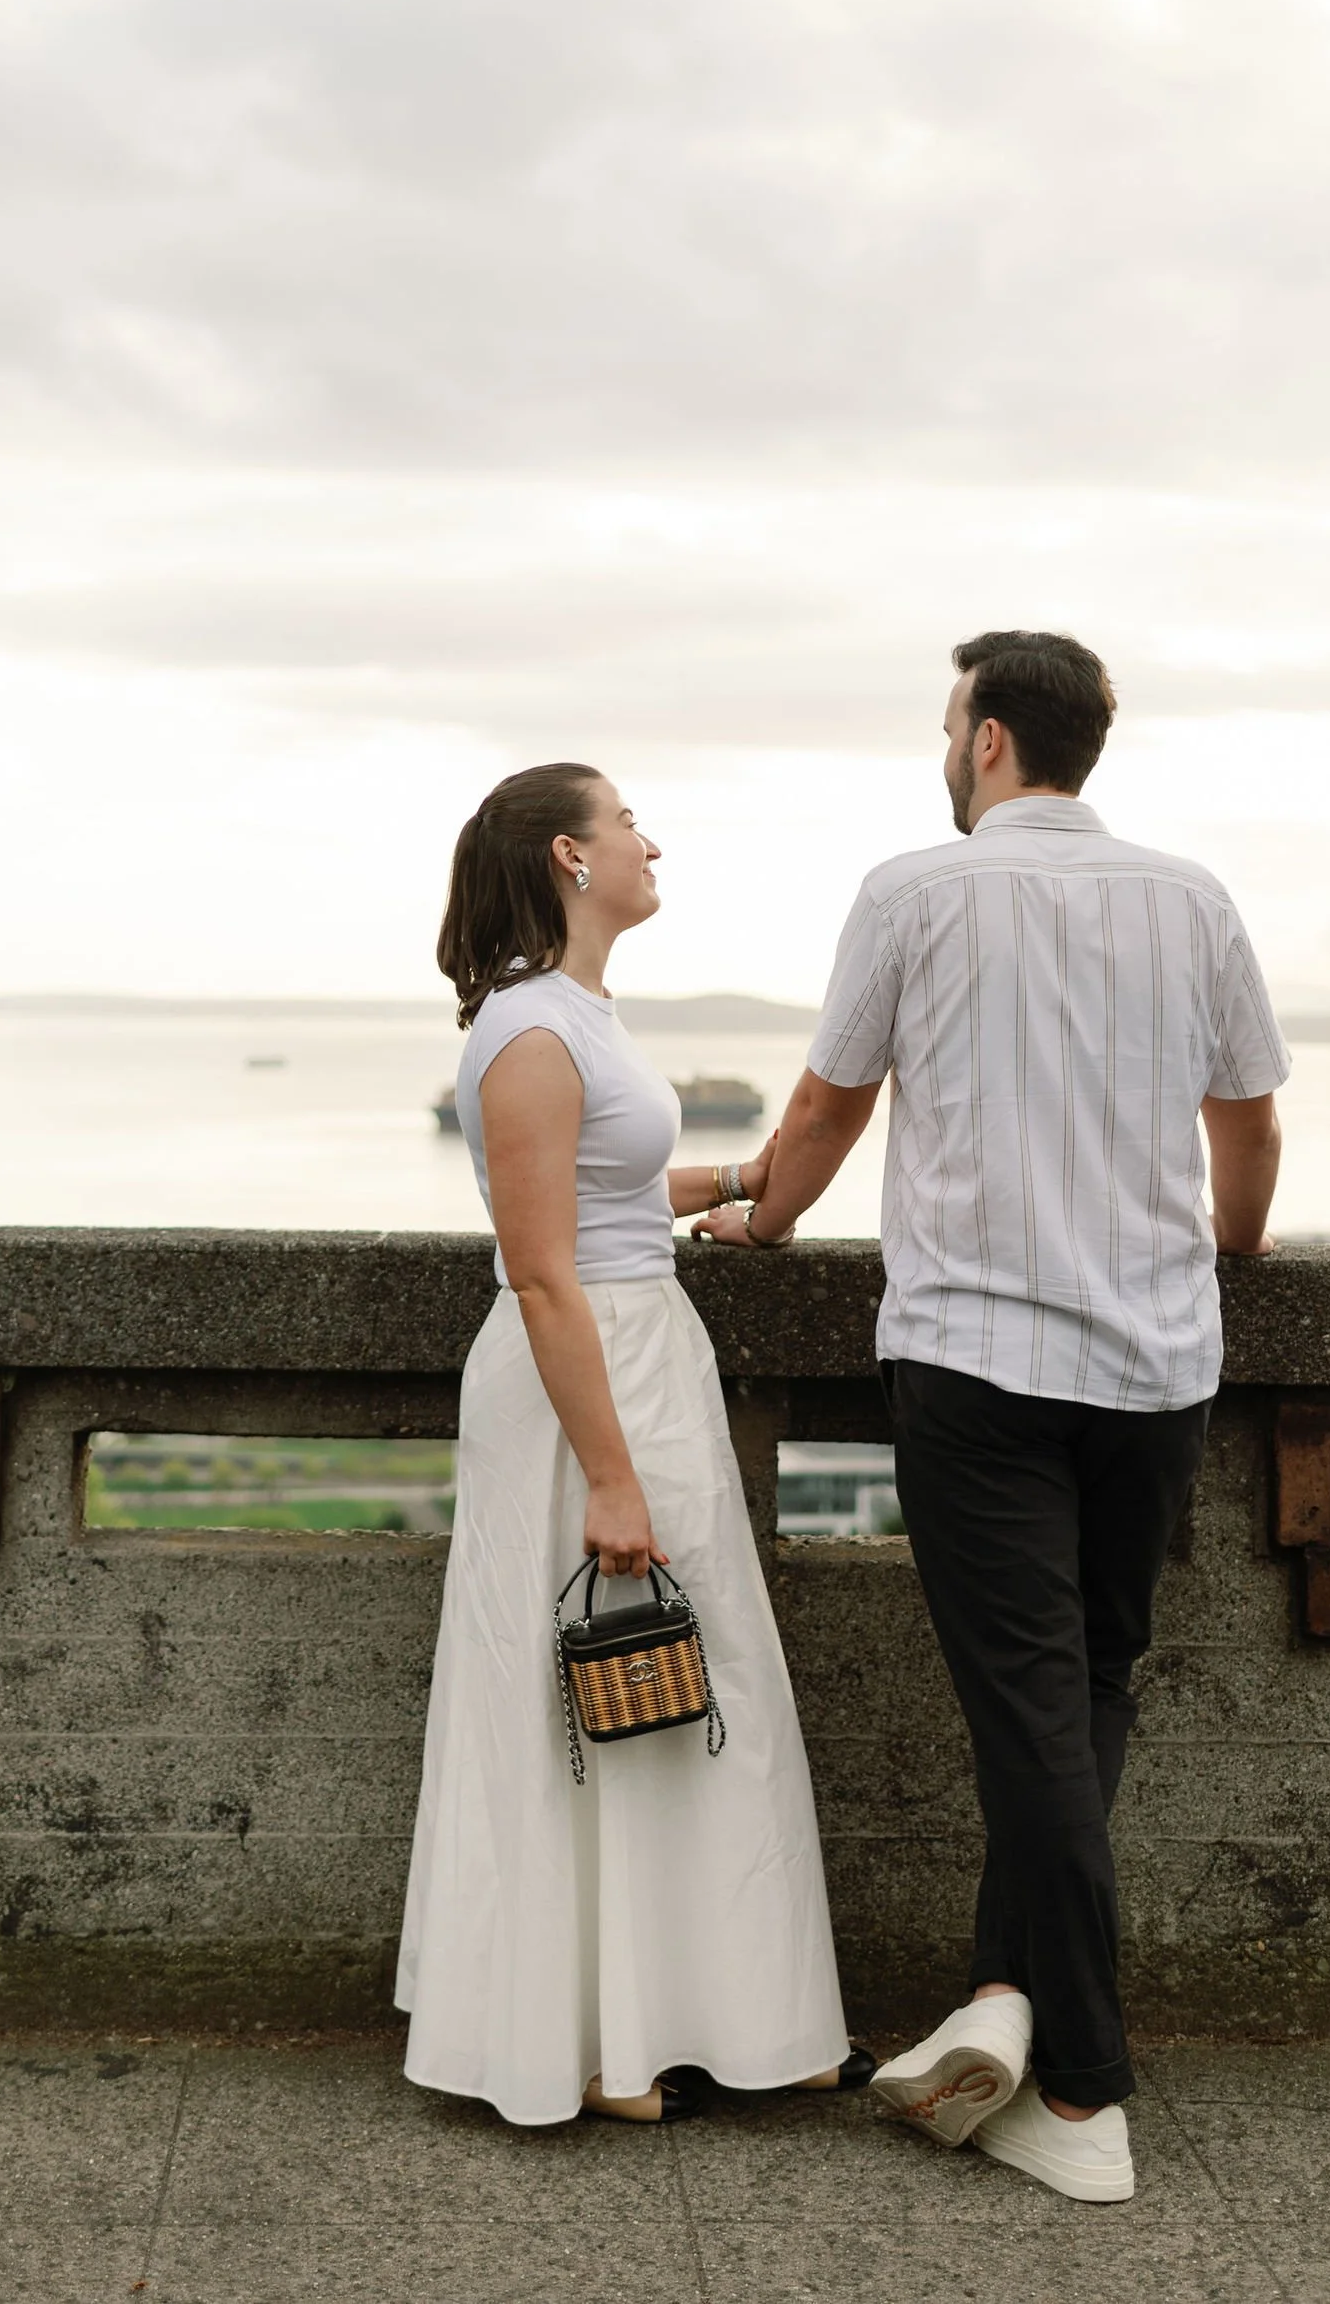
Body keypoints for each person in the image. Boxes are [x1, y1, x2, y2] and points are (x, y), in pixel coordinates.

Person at [691, 633, 1288, 2202]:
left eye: (950, 722)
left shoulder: (913, 891)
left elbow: (825, 1108)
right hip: (1158, 1366)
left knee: (1030, 1711)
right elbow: (1248, 1128)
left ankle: (1084, 2093)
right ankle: (1004, 2002)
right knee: (1085, 1685)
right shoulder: (1193, 898)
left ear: (993, 741)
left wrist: (764, 1217)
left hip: (978, 1362)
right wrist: (1228, 1251)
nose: (943, 747)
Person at [397, 761, 868, 2126]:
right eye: (628, 826)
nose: (650, 846)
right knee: (594, 1692)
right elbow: (543, 1269)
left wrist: (742, 1179)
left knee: (686, 1690)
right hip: (583, 1377)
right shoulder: (529, 1031)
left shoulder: (576, 1014)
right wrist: (609, 1474)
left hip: (640, 1352)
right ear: (569, 855)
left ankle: (709, 2018)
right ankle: (595, 2040)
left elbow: (603, 1190)